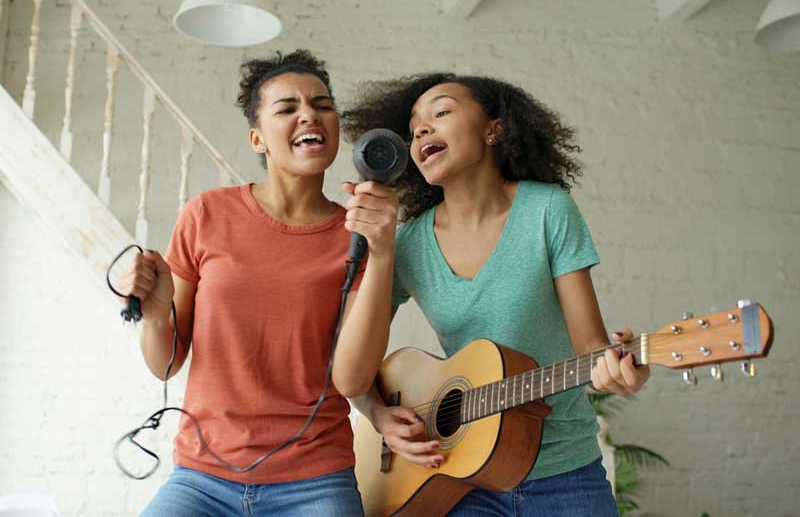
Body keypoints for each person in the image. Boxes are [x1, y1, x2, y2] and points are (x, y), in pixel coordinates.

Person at [344, 73, 650, 517]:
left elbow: (591, 347)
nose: (422, 131)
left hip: (564, 472)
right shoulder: (408, 243)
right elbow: (350, 375)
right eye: (413, 129)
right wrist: (377, 414)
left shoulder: (547, 211)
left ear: (494, 129)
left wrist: (620, 369)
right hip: (459, 476)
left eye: (441, 112)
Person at [118, 50, 398, 517]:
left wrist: (383, 251)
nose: (309, 113)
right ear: (257, 138)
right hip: (202, 478)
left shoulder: (361, 235)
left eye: (322, 105)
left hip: (315, 479)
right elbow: (165, 365)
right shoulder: (206, 214)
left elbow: (351, 378)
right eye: (287, 108)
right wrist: (154, 311)